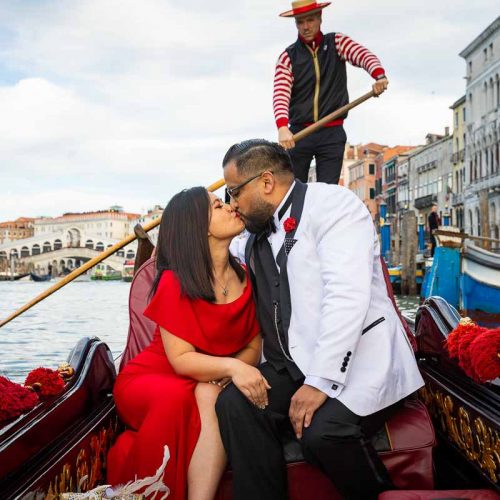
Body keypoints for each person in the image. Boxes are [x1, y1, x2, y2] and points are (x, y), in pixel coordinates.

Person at [217, 139, 424, 500]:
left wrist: (320, 382)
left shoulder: (334, 206)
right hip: (291, 363)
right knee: (236, 403)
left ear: (266, 183)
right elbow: (211, 250)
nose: (232, 203)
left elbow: (346, 298)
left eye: (234, 192)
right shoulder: (251, 232)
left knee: (323, 433)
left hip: (362, 358)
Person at [107, 187, 267, 500]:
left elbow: (252, 347)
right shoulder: (175, 280)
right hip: (154, 377)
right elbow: (180, 359)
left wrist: (229, 369)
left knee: (207, 392)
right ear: (201, 227)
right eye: (219, 205)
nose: (231, 207)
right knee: (179, 398)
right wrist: (230, 367)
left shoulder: (247, 277)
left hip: (205, 376)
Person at [274, 0, 389, 184]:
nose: (305, 27)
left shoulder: (337, 42)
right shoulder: (288, 57)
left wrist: (379, 76)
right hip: (299, 134)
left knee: (328, 192)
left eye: (310, 20)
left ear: (320, 18)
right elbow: (281, 92)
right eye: (300, 22)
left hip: (332, 131)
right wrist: (282, 127)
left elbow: (363, 55)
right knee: (293, 191)